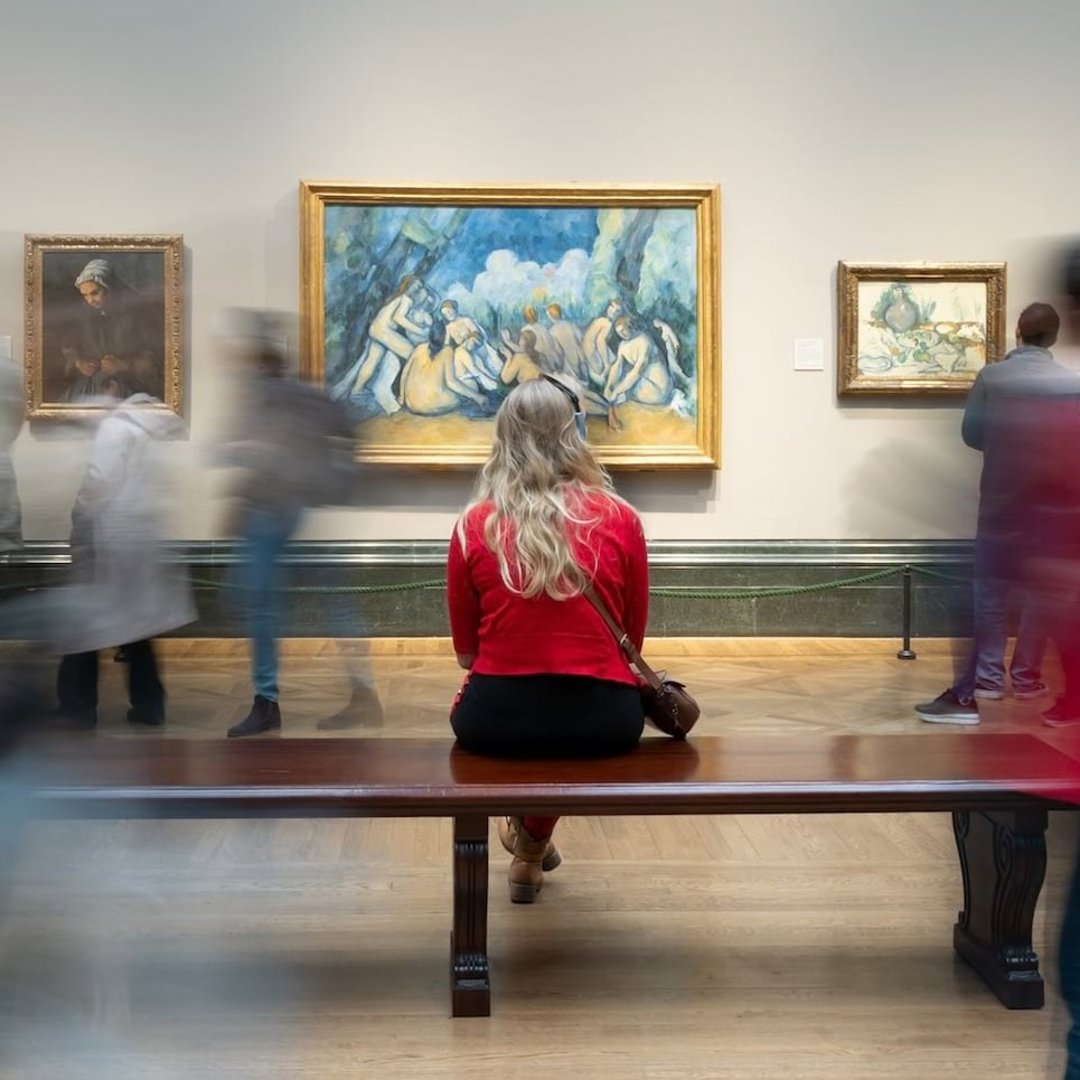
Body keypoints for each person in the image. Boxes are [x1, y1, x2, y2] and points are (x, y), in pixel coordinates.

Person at [446, 377, 648, 902]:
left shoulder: (474, 525)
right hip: (606, 720)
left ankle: (529, 840)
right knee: (563, 731)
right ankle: (531, 848)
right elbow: (632, 644)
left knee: (528, 722)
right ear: (573, 434)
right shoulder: (621, 518)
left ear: (503, 437)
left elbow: (467, 654)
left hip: (495, 721)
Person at [915, 302, 1080, 725]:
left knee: (989, 594)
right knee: (1042, 598)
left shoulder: (992, 376)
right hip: (1053, 512)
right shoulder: (1070, 383)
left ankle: (987, 679)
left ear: (1019, 332)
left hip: (1001, 501)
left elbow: (972, 434)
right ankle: (1027, 678)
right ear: (1053, 338)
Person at [219, 339, 363, 737]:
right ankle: (363, 692)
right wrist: (335, 483)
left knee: (262, 608)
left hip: (273, 515)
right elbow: (348, 433)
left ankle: (267, 702)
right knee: (331, 605)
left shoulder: (267, 398)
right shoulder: (308, 398)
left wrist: (241, 450)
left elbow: (239, 453)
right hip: (302, 514)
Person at [53, 391, 194, 728]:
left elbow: (98, 479)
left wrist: (79, 512)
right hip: (138, 543)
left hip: (107, 541)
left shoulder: (113, 429)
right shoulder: (146, 434)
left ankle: (77, 708)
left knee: (84, 626)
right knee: (135, 628)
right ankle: (149, 705)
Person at [59, 259, 160, 403]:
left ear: (110, 288)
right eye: (85, 295)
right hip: (89, 386)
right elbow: (70, 348)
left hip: (129, 386)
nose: (90, 300)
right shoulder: (83, 314)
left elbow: (154, 358)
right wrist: (79, 362)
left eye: (95, 293)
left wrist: (124, 365)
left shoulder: (136, 314)